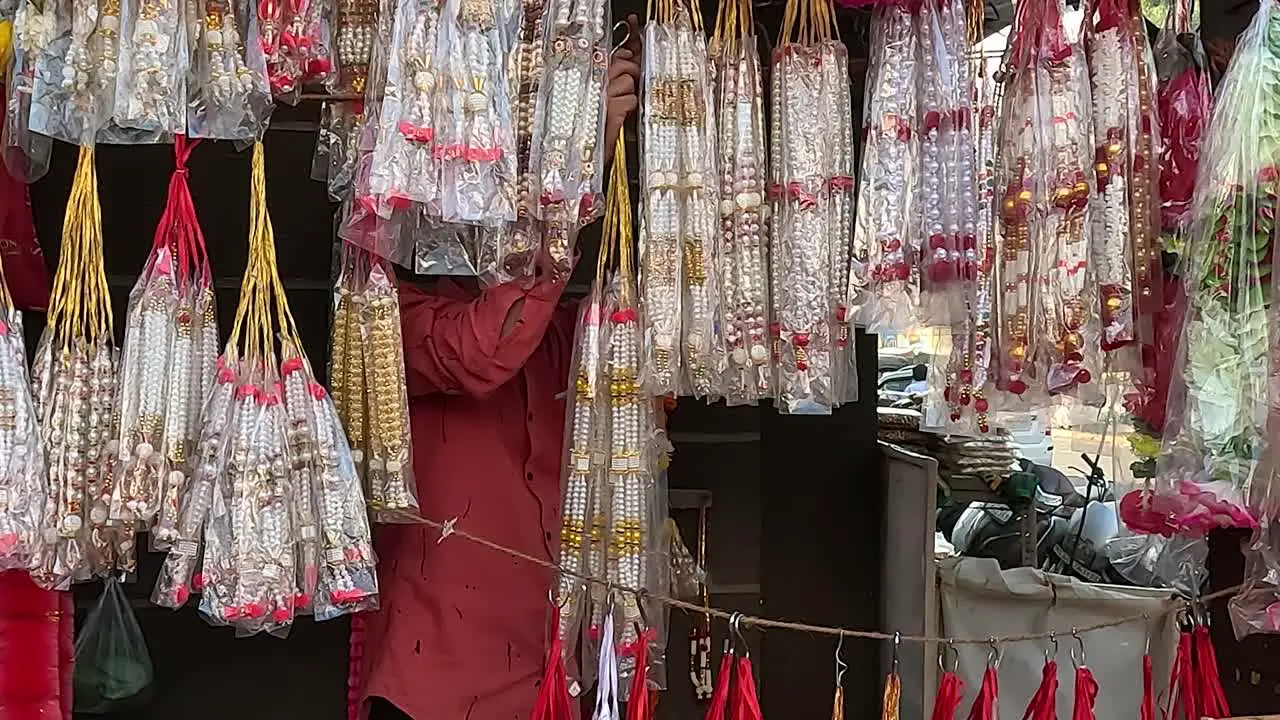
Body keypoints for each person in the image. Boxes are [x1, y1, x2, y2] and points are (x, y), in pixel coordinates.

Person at [360, 18, 644, 720]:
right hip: (437, 688)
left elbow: (648, 349)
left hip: (552, 682)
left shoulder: (554, 335)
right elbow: (484, 348)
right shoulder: (391, 317)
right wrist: (576, 165)